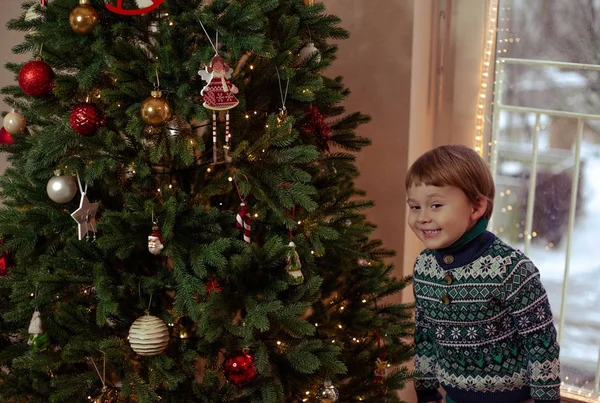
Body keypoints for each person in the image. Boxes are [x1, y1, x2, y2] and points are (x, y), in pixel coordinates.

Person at [406, 145, 560, 403]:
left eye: (435, 205)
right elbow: (425, 333)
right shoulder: (424, 267)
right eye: (414, 207)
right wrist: (426, 391)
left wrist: (546, 399)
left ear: (476, 207)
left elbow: (541, 340)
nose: (422, 217)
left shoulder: (511, 268)